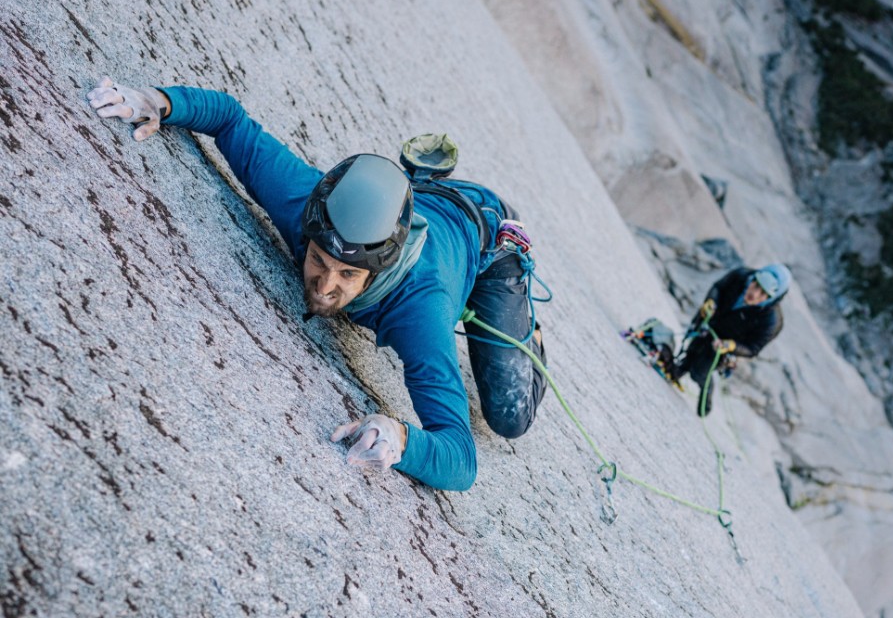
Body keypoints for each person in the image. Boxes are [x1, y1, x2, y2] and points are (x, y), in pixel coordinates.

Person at [86, 77, 547, 491]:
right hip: (419, 206)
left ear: (378, 270)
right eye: (319, 261)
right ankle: (416, 185)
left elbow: (461, 461)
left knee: (508, 417)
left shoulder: (422, 310)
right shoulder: (305, 207)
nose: (324, 287)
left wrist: (402, 439)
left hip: (487, 237)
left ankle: (532, 332)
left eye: (349, 275)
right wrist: (161, 102)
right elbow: (228, 118)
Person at [671, 264, 791, 417]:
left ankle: (706, 400)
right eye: (756, 285)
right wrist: (711, 301)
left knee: (700, 372)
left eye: (763, 294)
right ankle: (679, 370)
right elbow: (718, 288)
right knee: (692, 349)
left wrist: (731, 346)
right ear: (753, 278)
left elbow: (753, 348)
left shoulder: (771, 322)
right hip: (710, 320)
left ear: (771, 298)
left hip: (725, 344)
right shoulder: (741, 276)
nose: (754, 294)